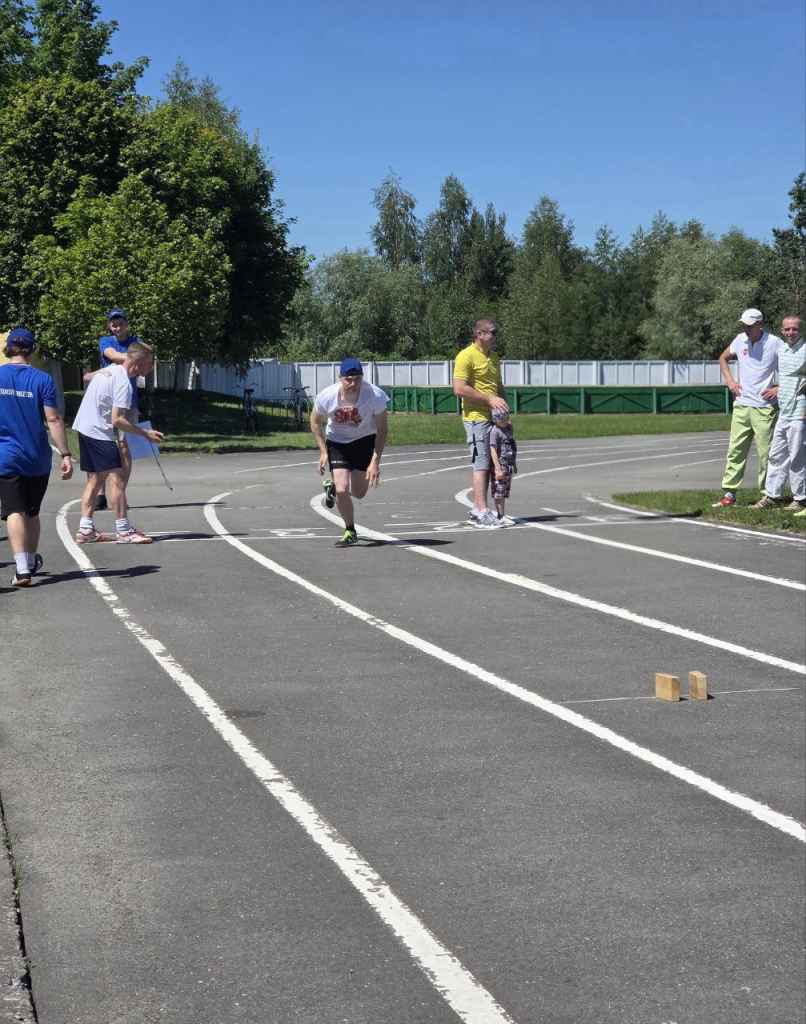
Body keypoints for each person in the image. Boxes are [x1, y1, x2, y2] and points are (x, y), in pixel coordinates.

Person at [0, 327, 73, 586]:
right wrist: (65, 453)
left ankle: (22, 570)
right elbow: (53, 418)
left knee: (13, 511)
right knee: (31, 512)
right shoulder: (42, 380)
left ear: (8, 348)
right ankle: (30, 560)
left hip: (6, 456)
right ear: (31, 350)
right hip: (37, 456)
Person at [72, 341, 164, 544]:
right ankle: (123, 531)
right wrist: (145, 434)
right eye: (150, 363)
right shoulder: (123, 382)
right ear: (138, 363)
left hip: (84, 428)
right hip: (98, 432)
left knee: (95, 481)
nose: (151, 367)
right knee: (119, 479)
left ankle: (85, 529)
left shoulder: (109, 370)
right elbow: (117, 420)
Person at [310, 357, 389, 547]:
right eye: (349, 380)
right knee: (343, 488)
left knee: (359, 492)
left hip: (364, 441)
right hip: (337, 443)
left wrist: (375, 461)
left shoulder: (375, 396)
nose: (353, 384)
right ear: (340, 378)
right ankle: (350, 529)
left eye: (357, 379)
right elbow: (314, 421)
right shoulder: (327, 396)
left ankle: (333, 489)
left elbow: (383, 430)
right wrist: (323, 451)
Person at [712, 308, 780, 507]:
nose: (746, 328)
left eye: (749, 325)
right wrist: (731, 382)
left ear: (760, 324)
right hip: (742, 405)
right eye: (744, 324)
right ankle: (729, 494)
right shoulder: (739, 339)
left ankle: (768, 496)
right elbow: (723, 358)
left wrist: (779, 387)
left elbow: (793, 367)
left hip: (765, 407)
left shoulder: (775, 343)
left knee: (766, 454)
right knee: (735, 451)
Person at [453, 318, 509, 528]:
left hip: (494, 418)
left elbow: (498, 386)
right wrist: (489, 399)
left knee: (493, 464)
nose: (495, 337)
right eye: (492, 333)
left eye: (495, 333)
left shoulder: (494, 357)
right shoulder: (466, 356)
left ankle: (482, 508)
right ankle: (480, 510)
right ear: (480, 334)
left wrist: (505, 411)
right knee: (482, 464)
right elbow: (459, 388)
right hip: (476, 418)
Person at [89, 308, 144, 511]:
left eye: (120, 322)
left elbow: (144, 358)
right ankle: (100, 494)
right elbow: (112, 355)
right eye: (113, 323)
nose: (117, 326)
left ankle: (119, 493)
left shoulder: (135, 340)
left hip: (127, 400)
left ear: (127, 324)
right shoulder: (106, 341)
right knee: (101, 445)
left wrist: (137, 356)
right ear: (109, 325)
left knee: (124, 448)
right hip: (105, 400)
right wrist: (132, 357)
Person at [752, 316, 806, 512]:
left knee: (797, 456)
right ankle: (772, 496)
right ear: (782, 331)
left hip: (800, 412)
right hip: (784, 410)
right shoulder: (781, 349)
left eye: (795, 329)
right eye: (787, 329)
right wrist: (778, 388)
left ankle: (800, 498)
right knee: (776, 455)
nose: (791, 332)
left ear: (801, 330)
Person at [489, 407, 518, 524]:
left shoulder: (508, 428)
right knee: (498, 492)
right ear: (496, 419)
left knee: (504, 492)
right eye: (503, 418)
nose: (506, 420)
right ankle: (499, 515)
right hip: (501, 466)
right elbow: (493, 449)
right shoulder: (495, 431)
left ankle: (502, 514)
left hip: (508, 465)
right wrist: (497, 468)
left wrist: (514, 464)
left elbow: (511, 445)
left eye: (507, 417)